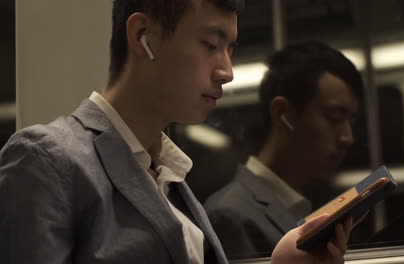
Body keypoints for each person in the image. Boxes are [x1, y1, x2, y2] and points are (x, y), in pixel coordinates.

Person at [0, 1, 357, 263]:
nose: (227, 71)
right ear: (144, 37)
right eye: (210, 45)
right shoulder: (46, 158)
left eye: (230, 49)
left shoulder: (172, 181)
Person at [204, 40, 364, 259]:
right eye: (334, 117)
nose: (348, 138)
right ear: (283, 114)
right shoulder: (231, 215)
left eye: (351, 122)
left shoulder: (298, 205)